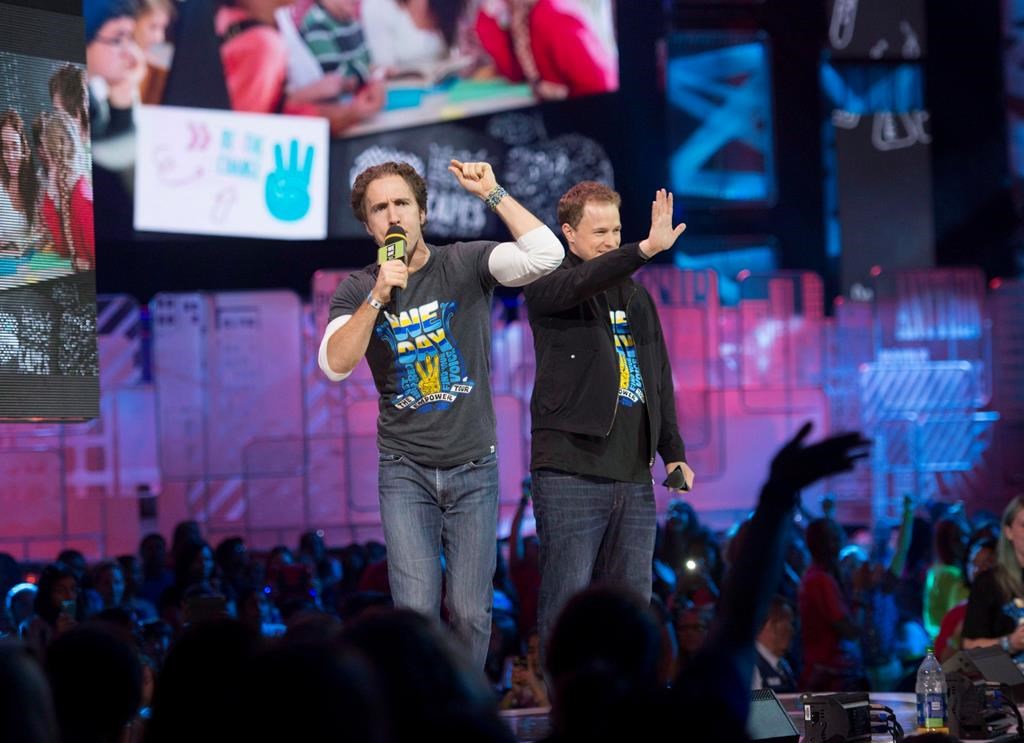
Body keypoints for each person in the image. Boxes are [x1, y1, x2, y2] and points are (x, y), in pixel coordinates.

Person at [318, 159, 562, 669]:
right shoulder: (356, 287)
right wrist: (377, 296)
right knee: (416, 613)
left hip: (474, 466)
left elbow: (546, 254)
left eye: (401, 203)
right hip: (405, 472)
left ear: (422, 212)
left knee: (472, 613)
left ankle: (463, 714)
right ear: (368, 226)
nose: (392, 216)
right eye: (379, 209)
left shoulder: (464, 262)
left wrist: (493, 194)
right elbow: (336, 365)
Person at [520, 181, 691, 654]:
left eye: (616, 230)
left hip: (633, 477)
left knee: (633, 609)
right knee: (567, 606)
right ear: (569, 235)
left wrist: (672, 453)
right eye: (599, 232)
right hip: (571, 472)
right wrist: (643, 249)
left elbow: (658, 379)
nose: (610, 241)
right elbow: (580, 281)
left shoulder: (636, 298)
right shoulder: (550, 284)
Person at [962, 496, 1024, 655]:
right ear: (1008, 531)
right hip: (1007, 676)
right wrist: (1010, 643)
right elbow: (970, 645)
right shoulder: (988, 583)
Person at [39, 111, 94, 271]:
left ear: (52, 158)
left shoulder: (82, 199)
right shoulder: (70, 196)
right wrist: (50, 195)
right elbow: (63, 248)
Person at [0, 110, 41, 252]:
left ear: (23, 148)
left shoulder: (35, 183)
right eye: (4, 148)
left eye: (15, 147)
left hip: (30, 263)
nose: (10, 156)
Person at [752, 595, 797, 693]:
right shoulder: (753, 668)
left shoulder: (783, 664)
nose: (792, 631)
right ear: (770, 625)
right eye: (788, 624)